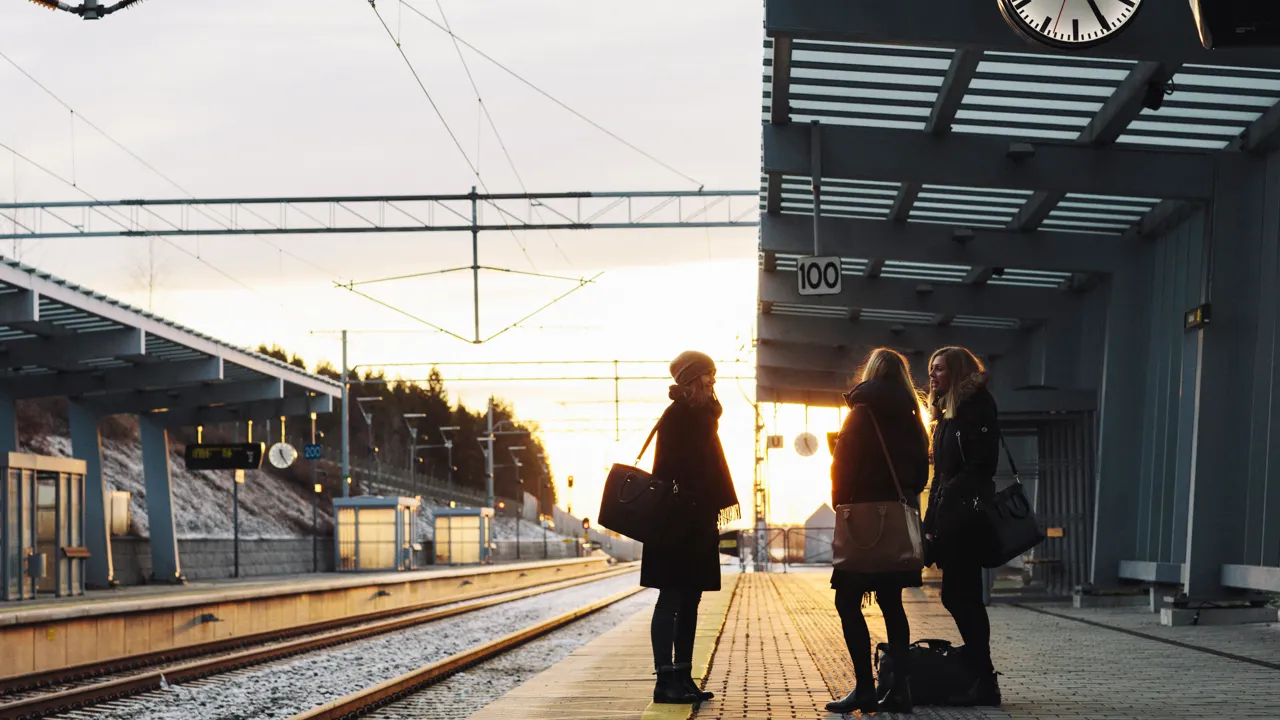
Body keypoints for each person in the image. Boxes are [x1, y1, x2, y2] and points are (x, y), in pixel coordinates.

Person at [825, 348, 930, 715]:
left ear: (870, 374)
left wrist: (842, 503)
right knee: (892, 604)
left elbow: (842, 463)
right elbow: (920, 476)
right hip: (897, 526)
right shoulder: (912, 415)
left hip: (862, 525)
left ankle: (865, 691)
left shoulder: (860, 412)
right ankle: (900, 691)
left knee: (847, 603)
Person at [643, 350, 742, 704]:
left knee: (691, 600)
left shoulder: (701, 416)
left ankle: (683, 677)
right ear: (690, 379)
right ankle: (663, 681)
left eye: (713, 374)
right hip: (675, 523)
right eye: (706, 375)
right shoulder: (679, 416)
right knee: (670, 598)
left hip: (695, 520)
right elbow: (672, 470)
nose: (713, 380)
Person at [924, 346, 1002, 707]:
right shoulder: (946, 416)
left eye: (939, 369)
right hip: (950, 519)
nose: (933, 376)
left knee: (962, 596)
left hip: (967, 519)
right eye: (931, 370)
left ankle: (983, 678)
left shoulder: (976, 407)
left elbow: (979, 466)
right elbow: (940, 475)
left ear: (955, 371)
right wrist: (930, 519)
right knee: (957, 596)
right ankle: (980, 674)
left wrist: (947, 503)